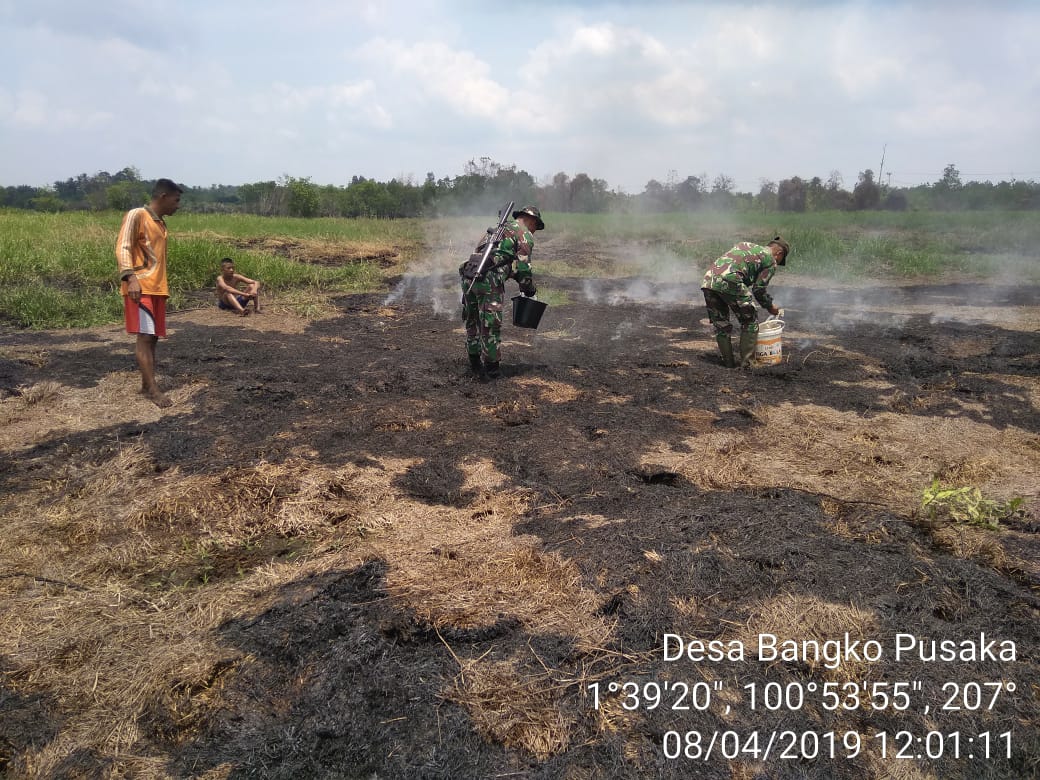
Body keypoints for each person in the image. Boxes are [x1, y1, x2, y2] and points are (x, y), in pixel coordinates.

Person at [115, 178, 182, 407]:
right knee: (144, 337)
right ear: (163, 196)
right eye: (176, 200)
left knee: (152, 337)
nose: (178, 205)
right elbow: (123, 246)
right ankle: (152, 390)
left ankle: (146, 383)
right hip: (141, 286)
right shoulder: (137, 215)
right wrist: (130, 277)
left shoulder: (161, 223)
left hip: (157, 288)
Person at [459, 205, 544, 381]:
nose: (535, 231)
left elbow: (490, 258)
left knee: (472, 320)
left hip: (469, 275)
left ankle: (474, 364)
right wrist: (528, 289)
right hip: (488, 280)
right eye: (536, 226)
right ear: (531, 220)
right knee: (491, 324)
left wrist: (511, 274)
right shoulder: (524, 234)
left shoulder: (497, 230)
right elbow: (524, 268)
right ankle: (492, 371)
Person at [700, 236, 789, 367]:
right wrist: (770, 306)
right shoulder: (770, 260)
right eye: (780, 259)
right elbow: (759, 289)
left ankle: (728, 364)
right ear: (779, 253)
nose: (778, 261)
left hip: (709, 280)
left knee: (721, 324)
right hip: (731, 280)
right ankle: (748, 364)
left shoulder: (745, 245)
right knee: (750, 321)